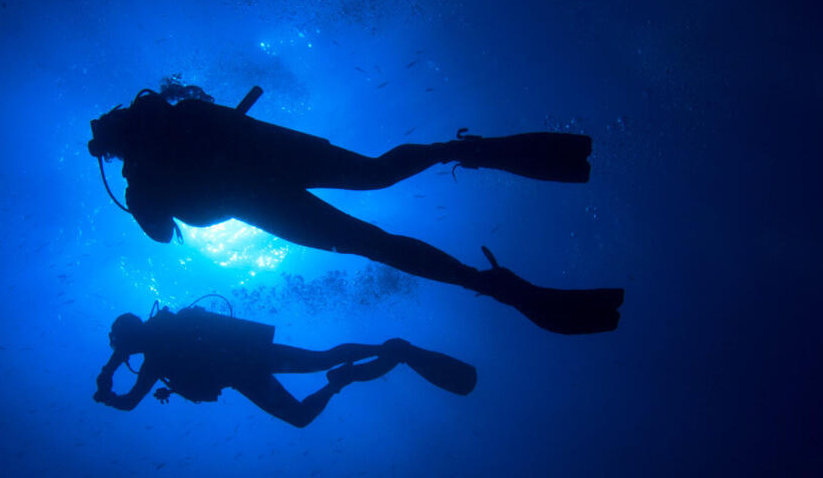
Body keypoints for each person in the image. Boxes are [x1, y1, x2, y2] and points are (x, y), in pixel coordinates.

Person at [88, 86, 624, 335]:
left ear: (114, 150)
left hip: (260, 201)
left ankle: (488, 284)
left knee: (375, 244)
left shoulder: (141, 186)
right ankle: (463, 150)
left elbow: (163, 235)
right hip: (272, 159)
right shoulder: (174, 115)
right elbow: (224, 119)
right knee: (374, 173)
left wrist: (139, 192)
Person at [93, 304, 476, 428]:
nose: (122, 350)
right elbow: (127, 393)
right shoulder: (152, 352)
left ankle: (383, 352)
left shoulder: (155, 349)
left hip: (248, 363)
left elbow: (126, 402)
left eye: (122, 344)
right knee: (307, 399)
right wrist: (110, 377)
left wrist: (107, 387)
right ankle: (343, 378)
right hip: (247, 370)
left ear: (130, 336)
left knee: (318, 367)